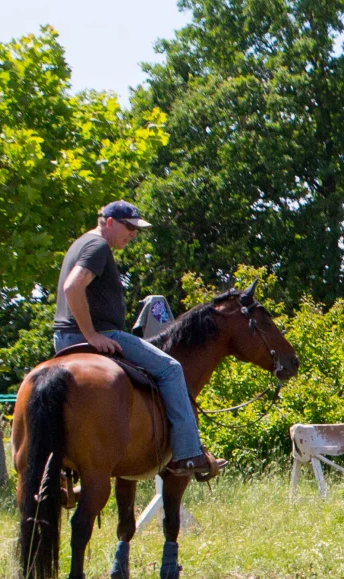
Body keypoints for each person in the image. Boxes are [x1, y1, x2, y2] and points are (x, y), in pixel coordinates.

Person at [52, 200, 225, 481]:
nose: (133, 234)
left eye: (136, 229)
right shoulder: (98, 246)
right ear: (109, 222)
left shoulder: (79, 244)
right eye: (129, 227)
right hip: (98, 335)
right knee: (171, 368)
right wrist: (92, 335)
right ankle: (187, 453)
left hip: (63, 339)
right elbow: (73, 287)